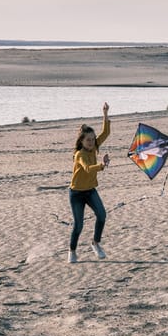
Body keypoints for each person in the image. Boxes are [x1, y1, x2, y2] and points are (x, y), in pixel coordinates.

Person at [68, 102, 111, 263]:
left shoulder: (94, 147)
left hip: (90, 191)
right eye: (88, 140)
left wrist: (105, 114)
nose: (92, 142)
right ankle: (72, 251)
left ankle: (96, 243)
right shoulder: (79, 154)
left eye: (93, 139)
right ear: (82, 140)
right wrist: (102, 165)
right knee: (78, 225)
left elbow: (106, 132)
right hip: (76, 194)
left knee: (102, 215)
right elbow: (87, 168)